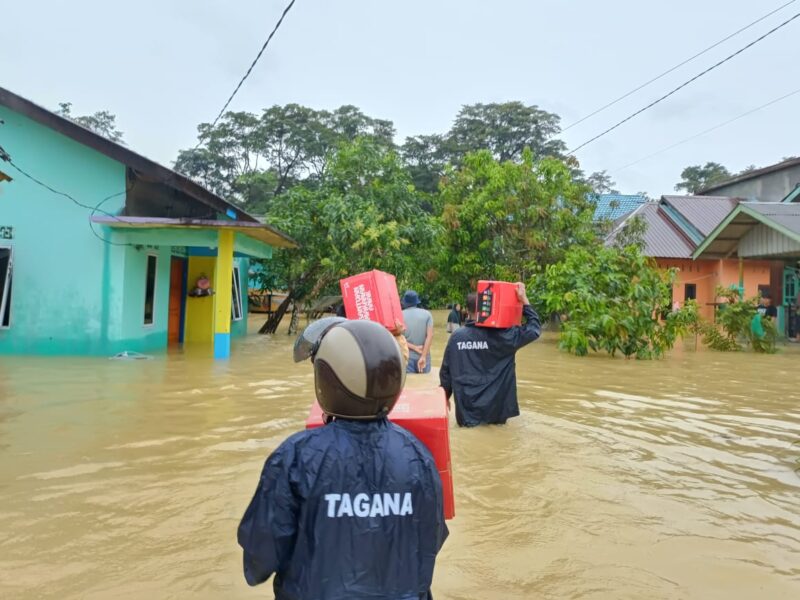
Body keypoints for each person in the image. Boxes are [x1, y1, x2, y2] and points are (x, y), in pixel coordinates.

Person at [238, 319, 448, 600]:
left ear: (327, 380)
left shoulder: (295, 458)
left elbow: (259, 560)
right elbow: (430, 541)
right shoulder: (419, 456)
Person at [440, 282, 541, 427]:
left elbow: (446, 373)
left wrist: (444, 397)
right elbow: (534, 329)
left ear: (467, 311)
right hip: (497, 412)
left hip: (467, 413)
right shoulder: (505, 336)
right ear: (489, 308)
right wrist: (523, 300)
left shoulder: (457, 337)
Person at [402, 289, 434, 373]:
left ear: (405, 302)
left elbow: (399, 339)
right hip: (425, 357)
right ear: (417, 302)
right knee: (426, 384)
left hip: (408, 357)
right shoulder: (427, 314)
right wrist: (423, 356)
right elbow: (430, 336)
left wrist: (415, 348)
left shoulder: (399, 315)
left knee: (410, 384)